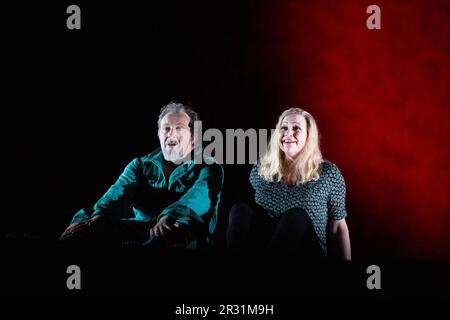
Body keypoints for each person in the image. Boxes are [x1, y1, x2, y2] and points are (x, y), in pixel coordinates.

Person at [61, 102, 224, 248]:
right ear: (159, 135)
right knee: (83, 224)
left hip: (183, 231)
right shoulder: (140, 165)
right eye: (166, 128)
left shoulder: (209, 167)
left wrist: (170, 216)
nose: (171, 134)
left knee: (168, 236)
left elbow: (198, 197)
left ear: (193, 138)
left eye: (179, 128)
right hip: (140, 229)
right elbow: (117, 194)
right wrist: (99, 218)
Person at [227, 107, 351, 259]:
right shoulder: (261, 169)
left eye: (296, 128)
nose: (288, 133)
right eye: (283, 128)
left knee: (296, 216)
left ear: (308, 136)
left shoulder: (327, 173)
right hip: (267, 246)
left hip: (307, 252)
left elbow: (338, 227)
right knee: (240, 209)